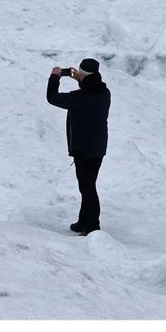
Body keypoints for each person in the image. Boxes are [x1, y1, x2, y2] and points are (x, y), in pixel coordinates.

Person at [46, 58, 110, 235]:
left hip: (84, 149)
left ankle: (92, 226)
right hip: (98, 147)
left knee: (87, 188)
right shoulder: (104, 93)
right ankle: (84, 221)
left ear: (83, 75)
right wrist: (81, 79)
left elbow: (52, 97)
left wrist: (55, 76)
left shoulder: (79, 98)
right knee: (88, 185)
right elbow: (91, 88)